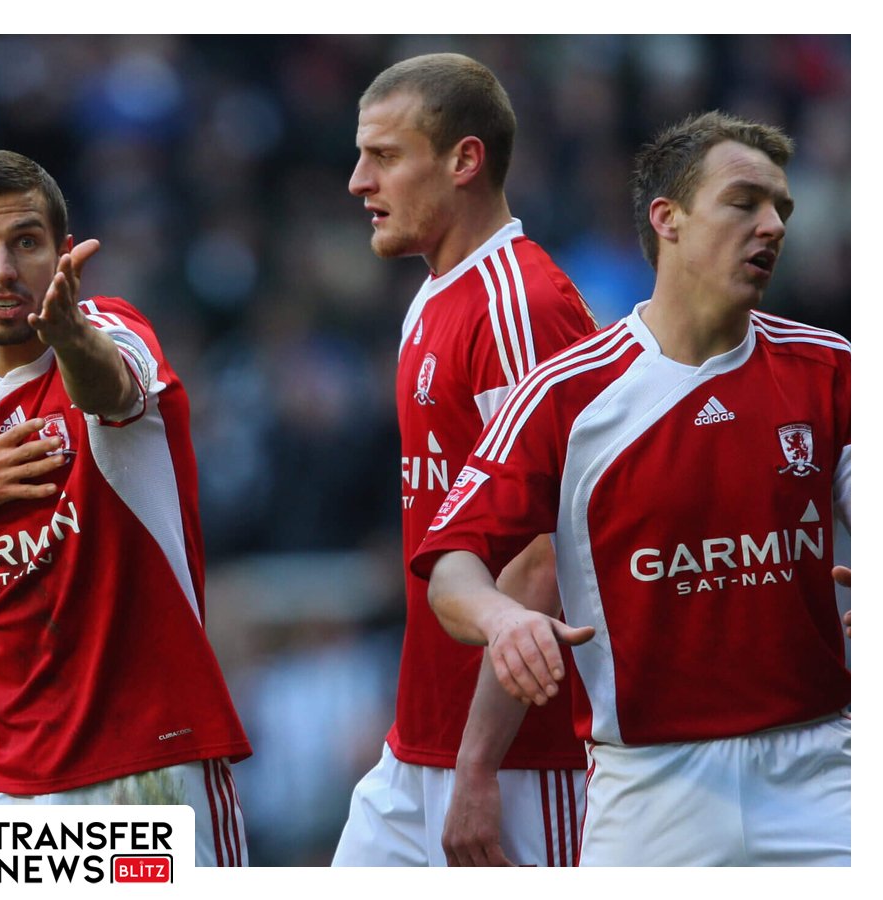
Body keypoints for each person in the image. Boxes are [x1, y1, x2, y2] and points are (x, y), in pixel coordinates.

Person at [416, 110, 850, 866]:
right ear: (667, 219)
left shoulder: (831, 369)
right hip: (647, 788)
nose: (774, 225)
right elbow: (451, 566)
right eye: (744, 202)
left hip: (822, 772)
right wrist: (502, 619)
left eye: (781, 207)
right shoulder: (566, 393)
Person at [0, 149, 252, 867]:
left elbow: (109, 387)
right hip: (3, 774)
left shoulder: (113, 331)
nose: (2, 268)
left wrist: (66, 335)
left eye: (25, 242)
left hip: (141, 770)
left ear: (62, 252)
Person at [331, 53, 598, 867]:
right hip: (421, 746)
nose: (358, 182)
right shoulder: (436, 294)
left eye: (384, 156)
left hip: (521, 763)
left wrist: (477, 763)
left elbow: (543, 549)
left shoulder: (521, 305)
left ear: (464, 160)